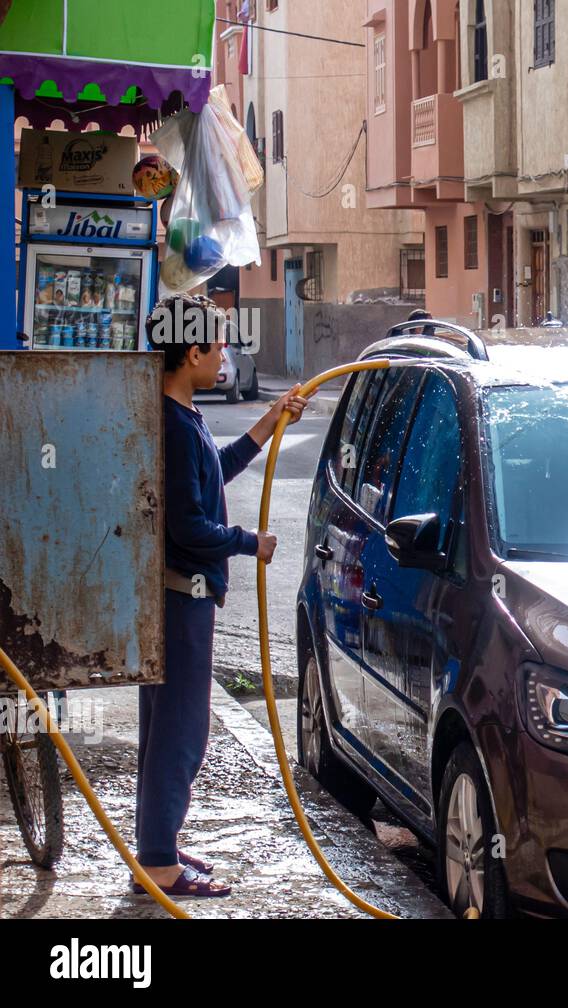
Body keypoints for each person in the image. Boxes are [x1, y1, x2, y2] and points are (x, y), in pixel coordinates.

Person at [134, 294, 309, 897]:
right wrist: (248, 542)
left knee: (167, 729)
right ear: (191, 352)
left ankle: (158, 846)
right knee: (181, 731)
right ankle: (157, 863)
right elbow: (187, 527)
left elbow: (219, 469)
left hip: (178, 598)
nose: (225, 354)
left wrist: (273, 419)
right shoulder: (174, 425)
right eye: (218, 344)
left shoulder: (183, 415)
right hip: (181, 598)